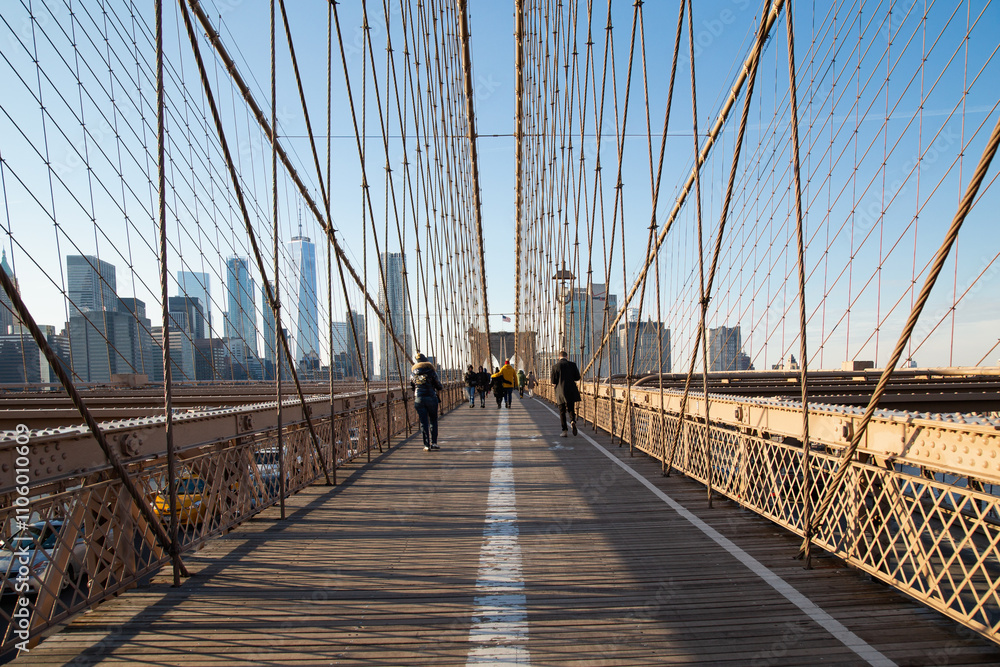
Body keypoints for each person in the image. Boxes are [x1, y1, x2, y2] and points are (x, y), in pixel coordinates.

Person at [410, 353, 443, 450]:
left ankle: (426, 445)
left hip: (419, 399)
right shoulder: (431, 371)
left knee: (423, 422)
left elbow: (412, 386)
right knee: (433, 420)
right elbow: (439, 386)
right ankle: (434, 443)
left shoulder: (413, 373)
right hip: (431, 398)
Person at [550, 350, 581, 437]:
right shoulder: (572, 365)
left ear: (559, 357)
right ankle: (572, 421)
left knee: (562, 411)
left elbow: (553, 381)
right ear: (567, 357)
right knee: (571, 408)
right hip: (571, 390)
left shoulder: (555, 366)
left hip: (560, 392)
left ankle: (564, 431)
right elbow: (577, 377)